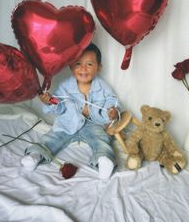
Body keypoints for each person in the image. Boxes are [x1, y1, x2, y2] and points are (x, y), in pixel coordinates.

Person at [21, 43, 121, 179]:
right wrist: (50, 101)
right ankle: (35, 155)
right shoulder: (65, 86)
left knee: (102, 140)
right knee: (52, 137)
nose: (83, 69)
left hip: (93, 124)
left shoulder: (103, 87)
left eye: (90, 64)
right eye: (78, 64)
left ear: (99, 67)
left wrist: (112, 112)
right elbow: (59, 105)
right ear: (70, 66)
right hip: (69, 121)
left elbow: (112, 101)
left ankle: (103, 161)